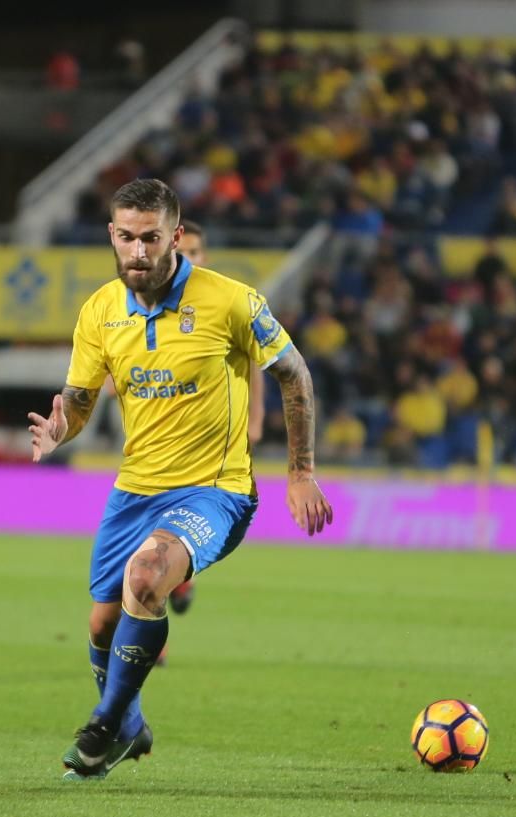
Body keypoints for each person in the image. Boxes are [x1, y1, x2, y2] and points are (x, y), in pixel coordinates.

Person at [27, 179, 332, 780]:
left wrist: (300, 473)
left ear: (175, 234)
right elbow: (82, 400)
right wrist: (62, 428)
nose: (137, 251)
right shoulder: (99, 311)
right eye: (125, 237)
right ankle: (131, 725)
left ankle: (103, 728)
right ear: (111, 235)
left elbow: (294, 376)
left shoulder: (230, 301)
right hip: (134, 490)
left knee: (145, 578)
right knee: (102, 622)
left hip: (215, 489)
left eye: (150, 238)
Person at [163, 220, 266, 624]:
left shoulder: (222, 303)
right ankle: (153, 631)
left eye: (193, 252)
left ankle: (172, 588)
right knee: (144, 548)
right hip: (153, 444)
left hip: (209, 449)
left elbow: (256, 364)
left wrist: (254, 418)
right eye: (179, 252)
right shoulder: (144, 305)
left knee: (160, 545)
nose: (185, 259)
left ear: (203, 257)